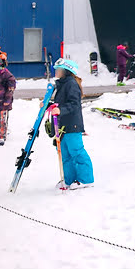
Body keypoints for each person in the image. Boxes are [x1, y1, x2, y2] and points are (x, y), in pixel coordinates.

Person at [50, 58, 94, 189]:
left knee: (77, 152)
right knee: (65, 154)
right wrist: (49, 105)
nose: (56, 72)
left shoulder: (71, 84)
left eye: (58, 69)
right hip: (63, 125)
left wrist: (60, 110)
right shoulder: (62, 84)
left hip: (72, 125)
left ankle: (86, 179)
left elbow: (74, 104)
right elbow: (62, 103)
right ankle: (68, 179)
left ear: (66, 71)